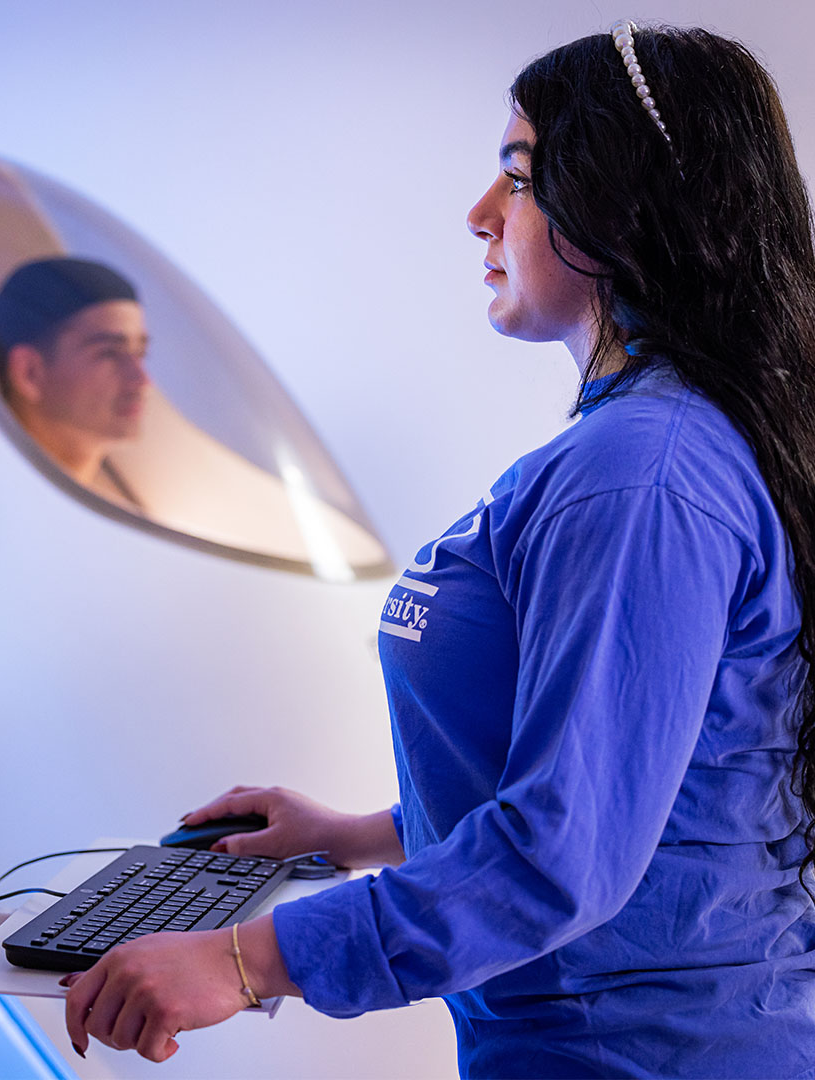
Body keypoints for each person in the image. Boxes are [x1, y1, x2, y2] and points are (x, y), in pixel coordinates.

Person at [62, 22, 815, 1077]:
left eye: (517, 178)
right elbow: (655, 787)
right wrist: (363, 833)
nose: (480, 215)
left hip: (644, 1052)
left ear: (618, 205)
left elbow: (566, 856)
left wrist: (244, 960)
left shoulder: (643, 472)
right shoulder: (644, 443)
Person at [0, 257, 150, 509]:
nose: (141, 380)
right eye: (109, 353)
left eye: (140, 353)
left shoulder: (122, 517)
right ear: (30, 373)